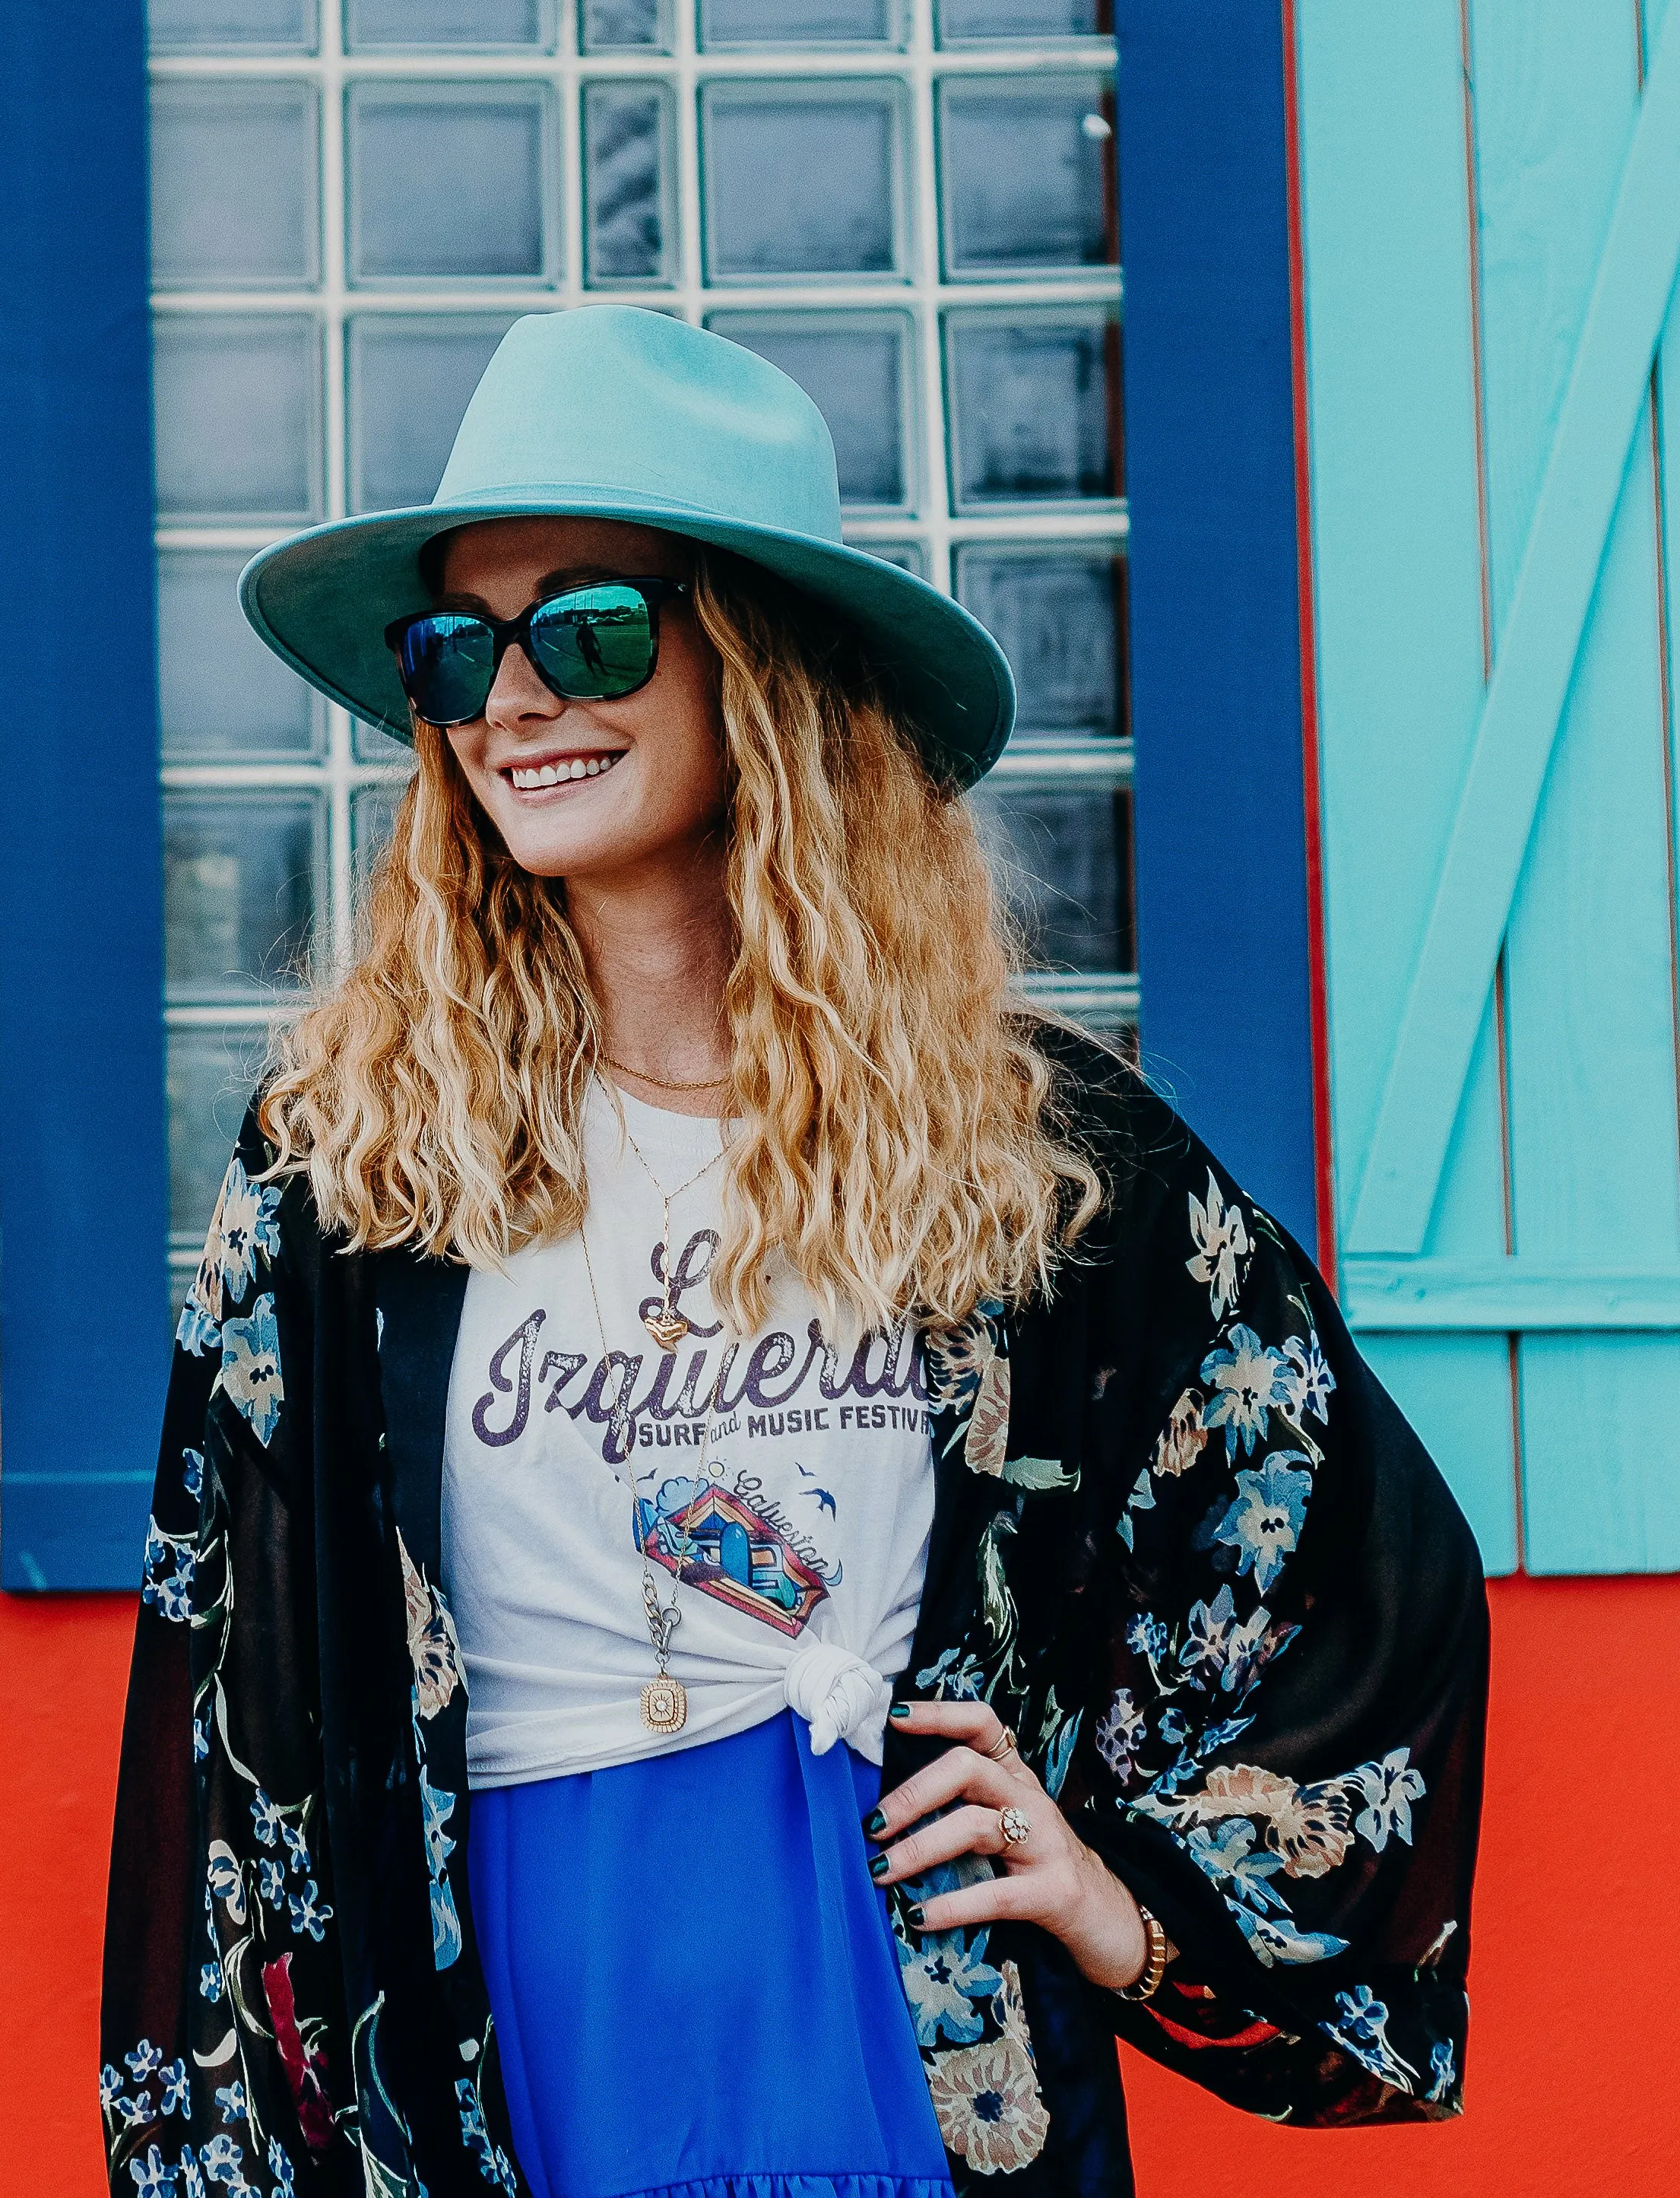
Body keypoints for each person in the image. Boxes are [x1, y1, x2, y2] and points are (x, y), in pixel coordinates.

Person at [100, 309, 1486, 2198]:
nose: (508, 699)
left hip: (890, 1991)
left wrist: (1120, 1896)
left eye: (584, 626)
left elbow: (1340, 1559)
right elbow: (227, 1729)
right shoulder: (353, 1172)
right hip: (511, 2014)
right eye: (452, 649)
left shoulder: (1026, 1160)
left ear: (759, 666)